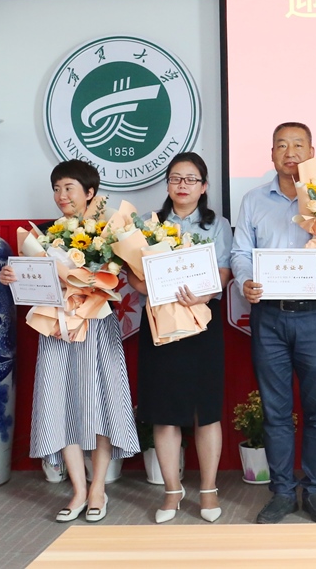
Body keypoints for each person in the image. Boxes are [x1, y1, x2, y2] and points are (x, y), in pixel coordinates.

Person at [231, 122, 316, 525]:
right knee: (276, 410)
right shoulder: (254, 200)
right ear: (272, 153)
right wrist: (245, 280)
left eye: (298, 145)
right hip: (269, 317)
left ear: (311, 153)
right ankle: (282, 493)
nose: (290, 152)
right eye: (281, 145)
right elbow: (240, 252)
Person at [0, 159, 139, 523]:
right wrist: (12, 275)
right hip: (57, 329)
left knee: (101, 404)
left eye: (69, 188)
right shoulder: (45, 236)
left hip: (97, 326)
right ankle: (78, 490)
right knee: (61, 404)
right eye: (57, 189)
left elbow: (118, 277)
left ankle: (98, 489)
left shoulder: (109, 233)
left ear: (90, 193)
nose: (62, 195)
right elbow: (33, 280)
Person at [126, 153, 232, 523]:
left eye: (190, 179)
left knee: (206, 409)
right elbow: (133, 274)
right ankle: (172, 490)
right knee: (164, 410)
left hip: (202, 322)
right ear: (168, 184)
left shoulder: (218, 225)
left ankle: (208, 489)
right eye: (175, 178)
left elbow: (223, 272)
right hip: (160, 323)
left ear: (204, 186)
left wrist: (203, 293)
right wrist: (148, 287)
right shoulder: (147, 224)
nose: (182, 185)